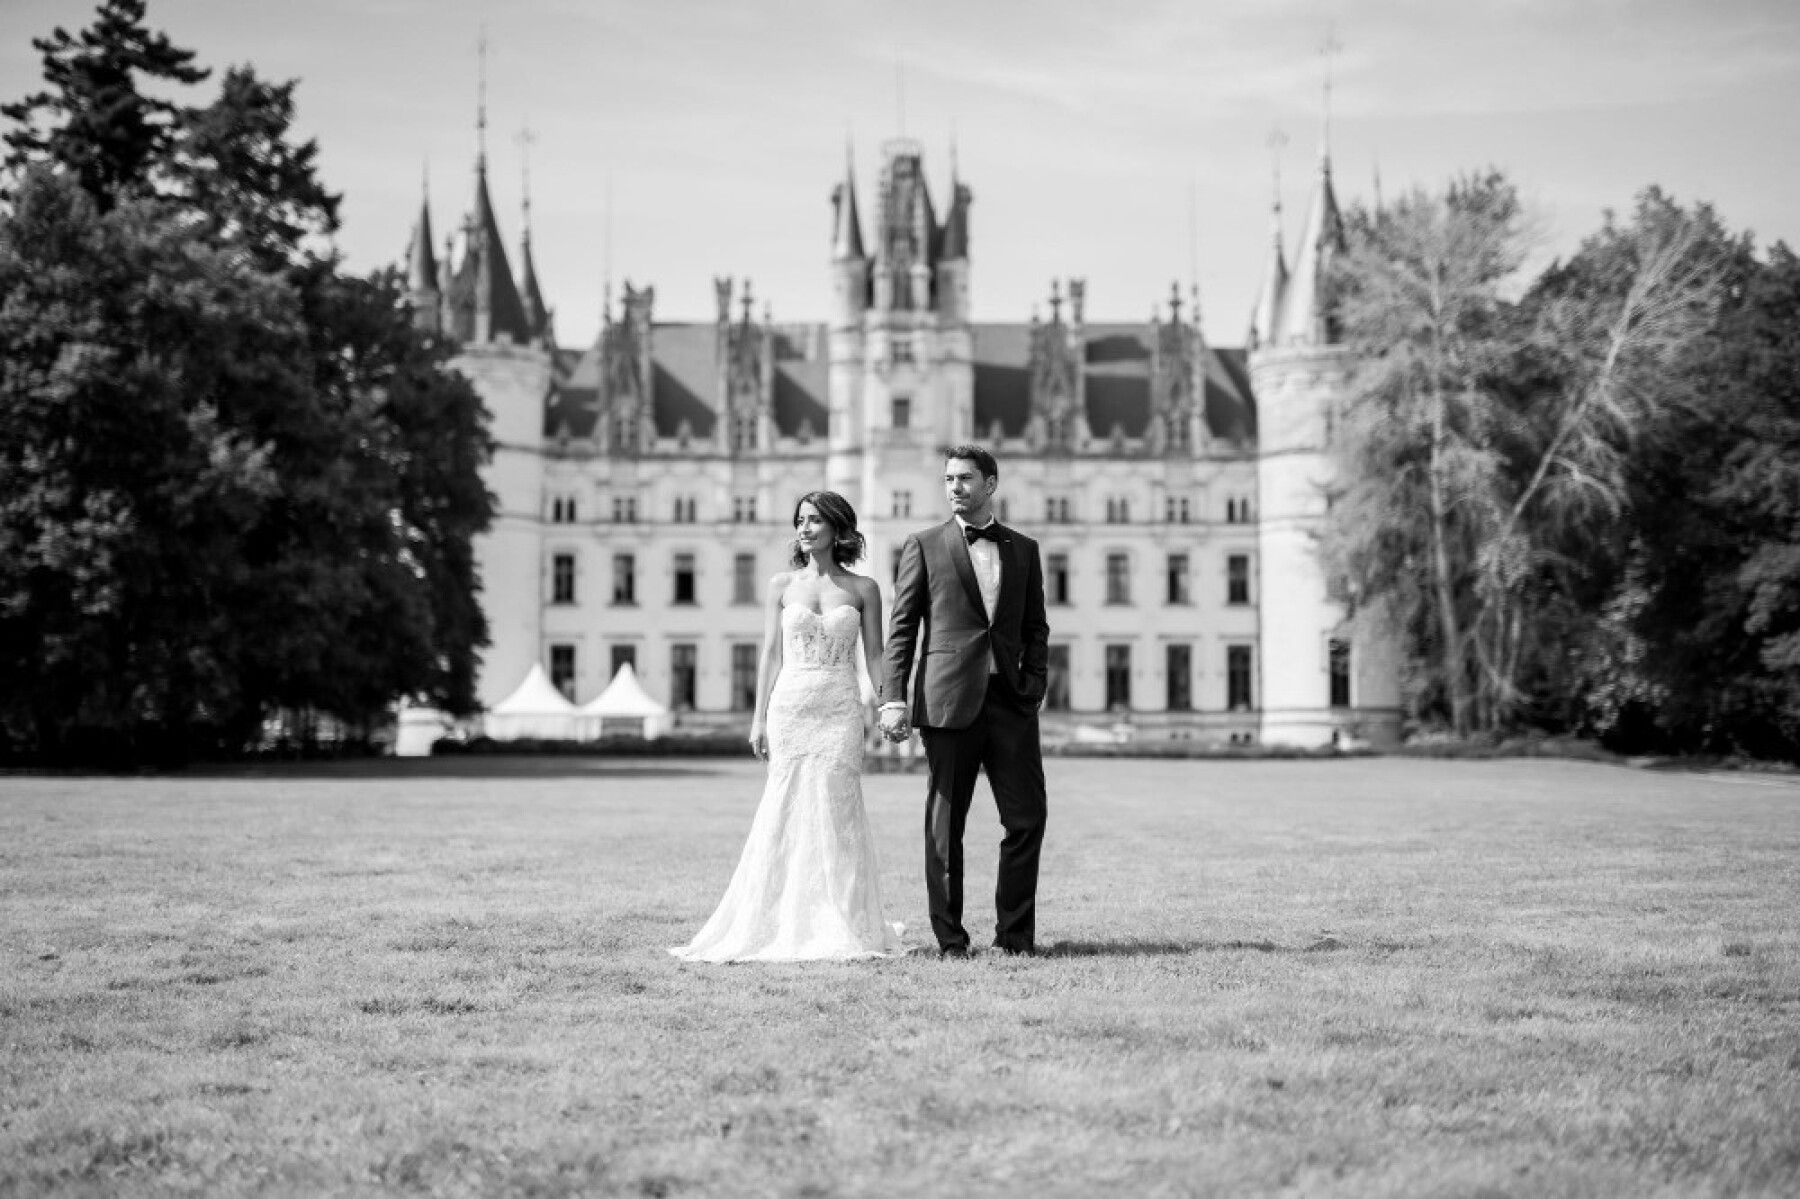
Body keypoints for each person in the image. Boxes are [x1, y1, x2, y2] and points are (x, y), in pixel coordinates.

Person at [671, 492, 905, 962]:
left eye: (815, 520)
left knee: (839, 809)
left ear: (839, 529)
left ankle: (842, 917)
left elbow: (875, 654)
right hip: (791, 707)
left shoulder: (864, 589)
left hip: (840, 707)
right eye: (800, 520)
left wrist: (889, 703)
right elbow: (770, 655)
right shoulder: (781, 584)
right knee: (784, 807)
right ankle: (778, 919)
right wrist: (758, 718)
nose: (805, 528)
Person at [880, 445, 1050, 957]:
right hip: (949, 699)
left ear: (991, 483)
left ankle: (1015, 938)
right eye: (949, 479)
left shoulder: (1024, 549)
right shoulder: (924, 545)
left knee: (1027, 820)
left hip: (1011, 703)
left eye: (966, 478)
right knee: (945, 826)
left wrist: (1034, 684)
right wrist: (894, 698)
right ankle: (951, 941)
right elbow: (902, 628)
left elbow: (1036, 627)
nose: (955, 487)